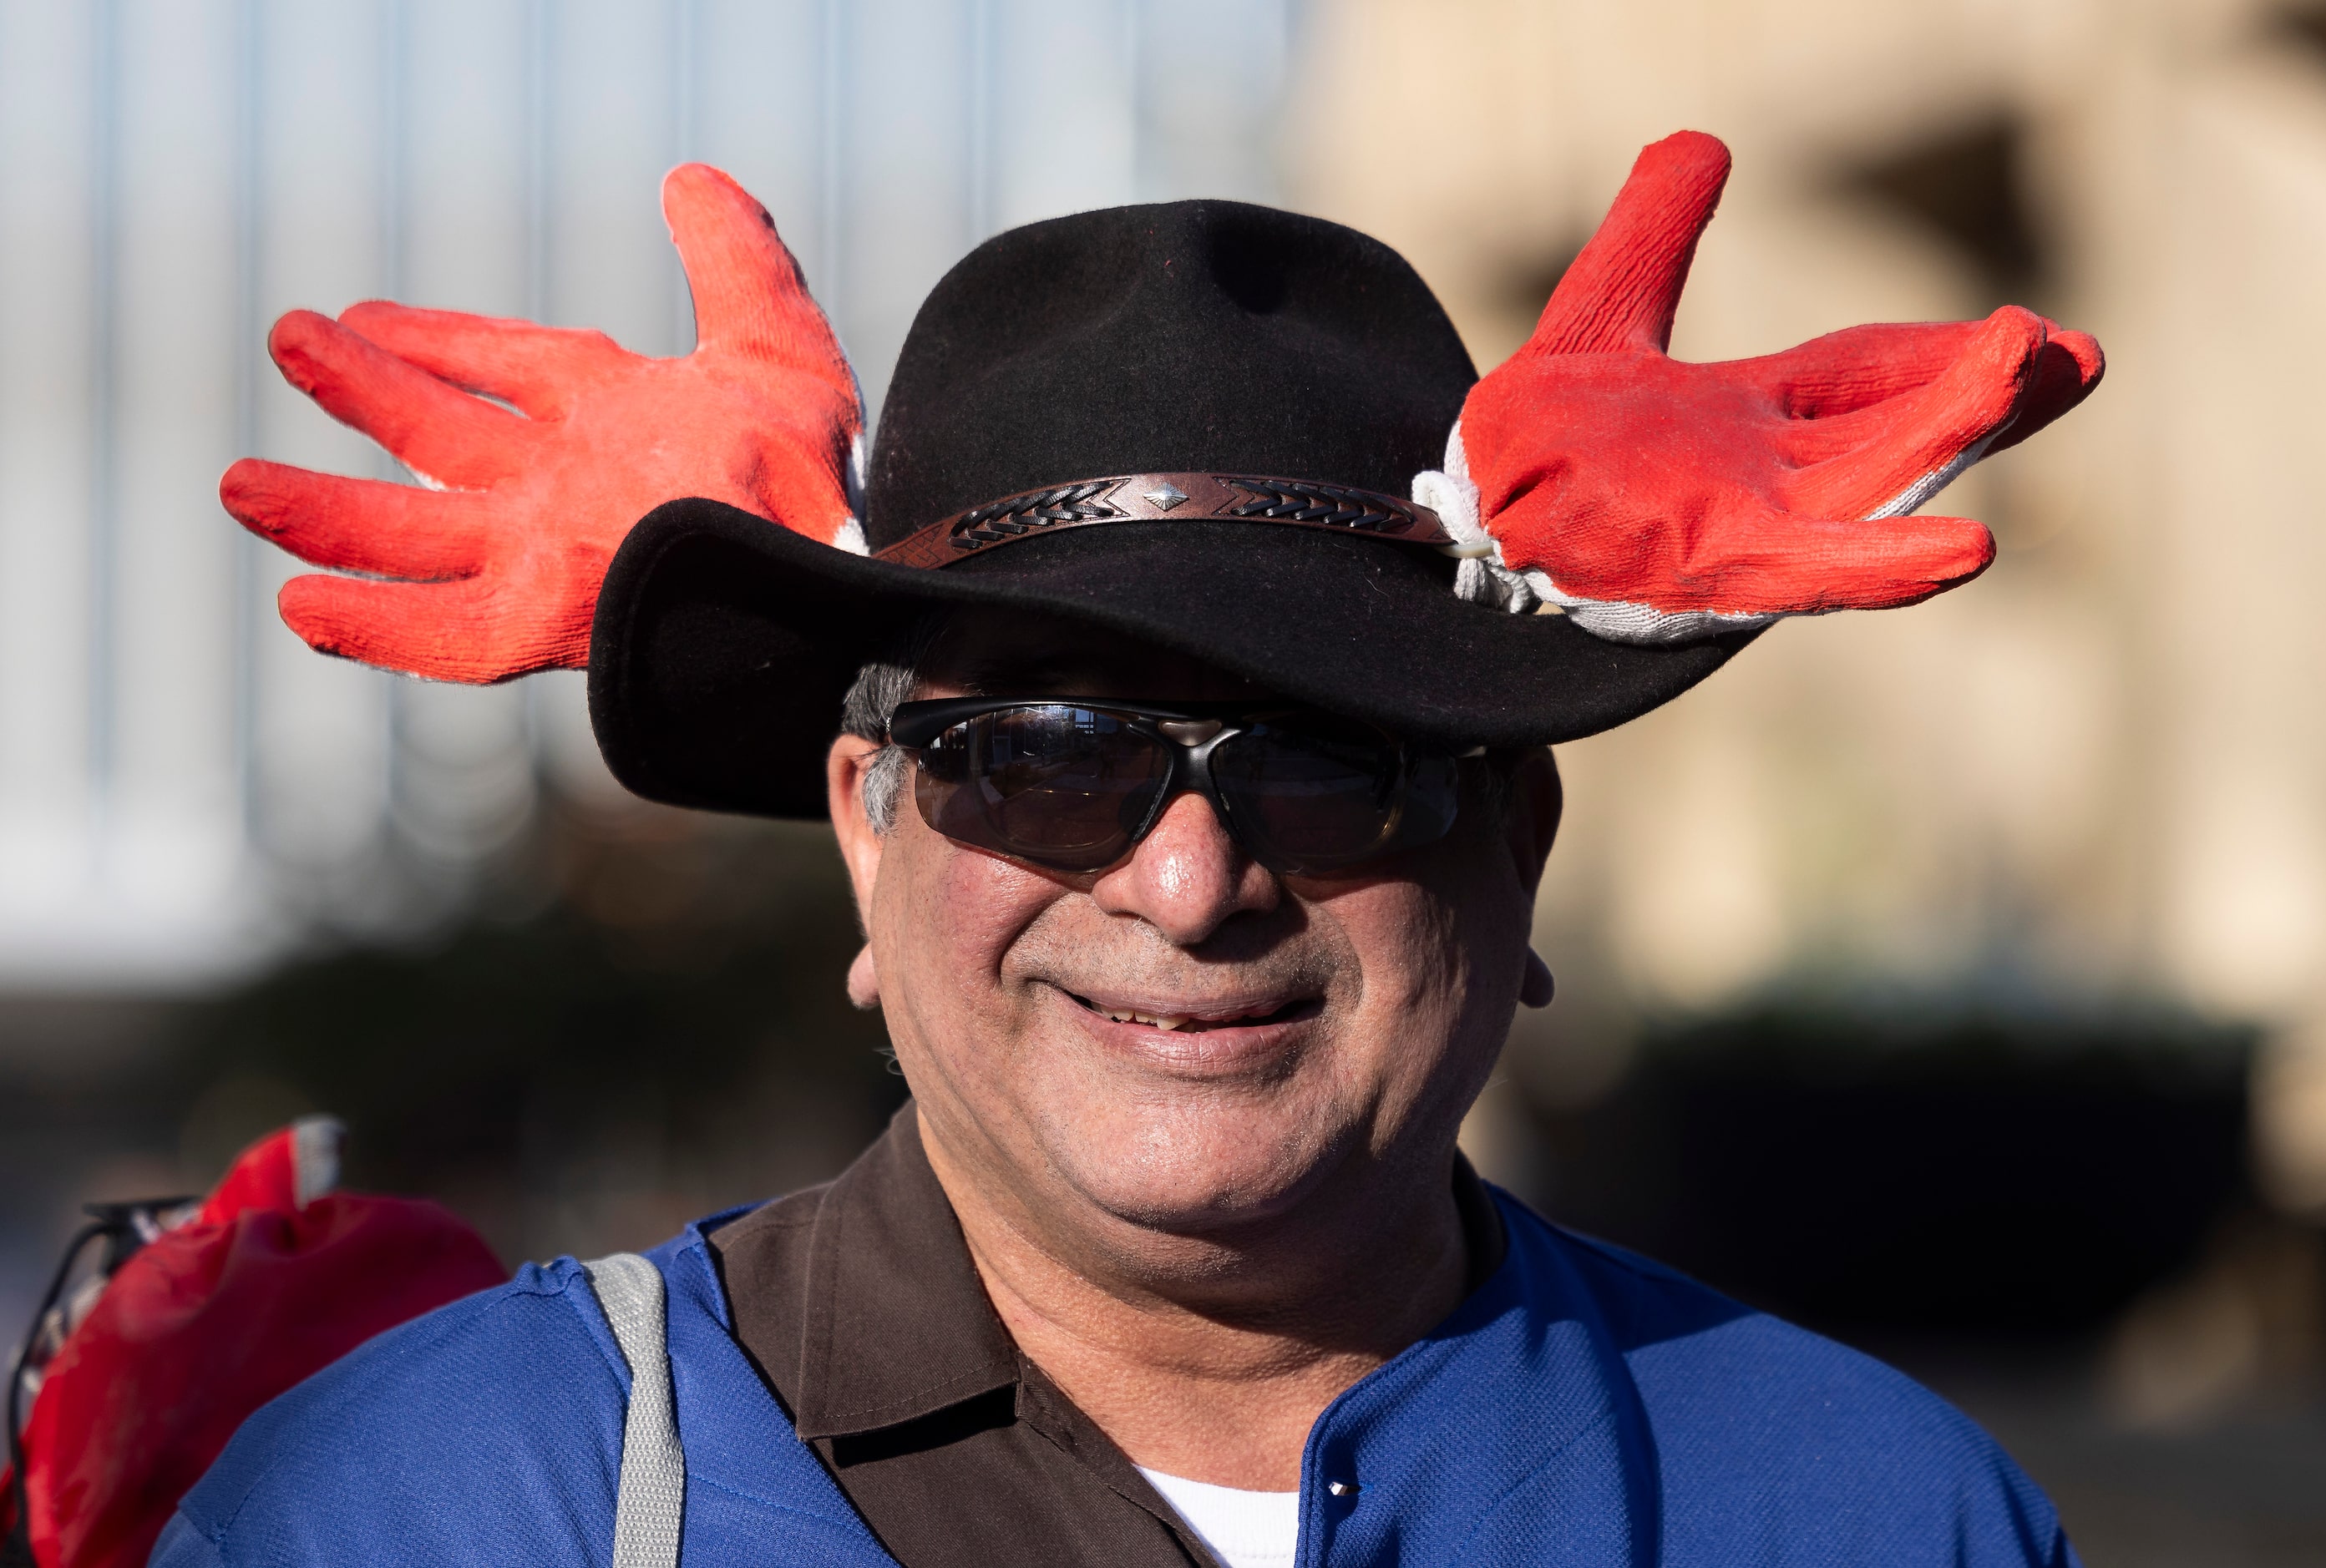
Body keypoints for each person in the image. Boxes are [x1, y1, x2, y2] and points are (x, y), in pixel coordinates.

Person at [164, 132, 2100, 1567]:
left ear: (1512, 848)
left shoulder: (1880, 1511)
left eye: (1332, 761)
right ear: (866, 835)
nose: (1188, 885)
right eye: (1039, 756)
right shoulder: (426, 1505)